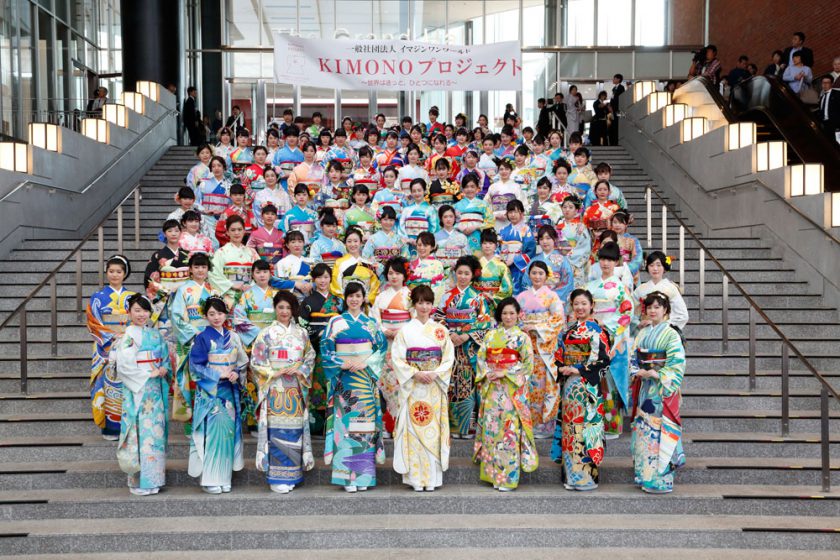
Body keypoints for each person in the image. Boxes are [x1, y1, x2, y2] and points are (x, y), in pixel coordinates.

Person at [321, 282, 388, 492]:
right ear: (345, 298)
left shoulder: (371, 323)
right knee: (345, 425)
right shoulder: (335, 321)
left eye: (358, 296)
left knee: (364, 426)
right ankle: (346, 477)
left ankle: (364, 476)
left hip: (364, 377)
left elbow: (381, 348)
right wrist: (341, 363)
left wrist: (366, 362)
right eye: (350, 296)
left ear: (364, 298)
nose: (354, 300)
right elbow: (325, 347)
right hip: (344, 379)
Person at [249, 290, 317, 494]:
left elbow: (310, 357)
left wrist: (301, 369)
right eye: (281, 307)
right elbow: (256, 361)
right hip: (276, 388)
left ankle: (293, 475)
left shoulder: (302, 334)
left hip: (295, 387)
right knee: (276, 430)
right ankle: (276, 477)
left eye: (288, 307)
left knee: (294, 430)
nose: (284, 311)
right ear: (275, 309)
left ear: (293, 309)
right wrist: (274, 371)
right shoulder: (266, 334)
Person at [391, 284, 455, 491]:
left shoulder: (440, 330)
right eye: (420, 302)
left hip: (434, 385)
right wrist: (415, 373)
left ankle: (433, 479)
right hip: (414, 386)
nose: (424, 307)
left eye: (428, 302)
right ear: (414, 304)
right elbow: (398, 358)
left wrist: (435, 373)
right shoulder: (405, 331)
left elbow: (448, 357)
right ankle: (416, 479)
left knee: (433, 431)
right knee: (414, 430)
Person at [108, 294, 172, 496]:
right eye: (137, 310)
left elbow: (164, 359)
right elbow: (124, 367)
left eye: (145, 310)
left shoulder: (155, 335)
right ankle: (138, 481)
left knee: (155, 435)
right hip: (138, 391)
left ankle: (154, 479)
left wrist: (163, 369)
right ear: (129, 312)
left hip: (155, 391)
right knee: (139, 434)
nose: (141, 314)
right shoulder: (127, 336)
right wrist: (149, 372)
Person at [187, 296, 249, 494]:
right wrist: (216, 374)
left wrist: (235, 374)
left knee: (227, 433)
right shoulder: (202, 337)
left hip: (228, 391)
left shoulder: (233, 337)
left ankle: (224, 476)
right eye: (212, 314)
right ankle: (210, 478)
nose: (216, 317)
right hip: (210, 392)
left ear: (226, 315)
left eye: (220, 313)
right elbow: (195, 365)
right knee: (212, 433)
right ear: (205, 316)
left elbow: (242, 362)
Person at [474, 297, 537, 491]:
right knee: (492, 430)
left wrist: (506, 372)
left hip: (511, 390)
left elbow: (528, 366)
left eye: (512, 313)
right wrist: (487, 373)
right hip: (493, 388)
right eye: (504, 313)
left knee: (509, 432)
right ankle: (492, 475)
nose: (508, 317)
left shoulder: (523, 337)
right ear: (499, 316)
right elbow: (482, 358)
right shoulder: (491, 335)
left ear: (518, 314)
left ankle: (508, 478)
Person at [551, 288, 610, 491]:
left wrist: (576, 368)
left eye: (584, 303)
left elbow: (602, 360)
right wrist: (562, 367)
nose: (580, 307)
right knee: (570, 430)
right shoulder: (567, 330)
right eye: (576, 304)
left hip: (587, 386)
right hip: (569, 386)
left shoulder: (597, 330)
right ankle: (571, 475)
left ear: (592, 305)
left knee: (585, 429)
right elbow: (558, 355)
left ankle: (586, 478)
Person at [630, 292, 687, 494]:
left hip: (662, 389)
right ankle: (645, 476)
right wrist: (637, 371)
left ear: (666, 310)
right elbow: (633, 358)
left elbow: (677, 363)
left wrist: (658, 372)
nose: (653, 311)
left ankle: (661, 480)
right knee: (645, 432)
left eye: (657, 307)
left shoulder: (671, 334)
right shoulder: (643, 333)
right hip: (646, 387)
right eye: (650, 307)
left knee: (660, 431)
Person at [439, 255, 493, 438]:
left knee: (468, 383)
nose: (462, 276)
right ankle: (453, 427)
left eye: (466, 273)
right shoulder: (446, 296)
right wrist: (449, 334)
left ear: (472, 276)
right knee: (451, 384)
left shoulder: (478, 298)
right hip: (450, 344)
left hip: (469, 346)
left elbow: (485, 322)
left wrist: (466, 335)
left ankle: (469, 427)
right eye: (459, 272)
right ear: (455, 274)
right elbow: (439, 317)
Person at [586, 243, 634, 439]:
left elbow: (627, 311)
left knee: (611, 381)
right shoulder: (590, 286)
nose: (605, 263)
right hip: (592, 336)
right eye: (602, 259)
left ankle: (612, 425)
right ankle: (593, 422)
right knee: (594, 380)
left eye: (610, 259)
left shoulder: (621, 287)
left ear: (616, 262)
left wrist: (608, 330)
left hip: (613, 338)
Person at [87, 255, 135, 440]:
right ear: (106, 272)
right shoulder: (98, 297)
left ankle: (128, 423)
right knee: (107, 384)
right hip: (105, 346)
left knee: (127, 382)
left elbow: (140, 319)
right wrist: (111, 337)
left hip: (128, 343)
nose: (115, 275)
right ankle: (109, 427)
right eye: (111, 271)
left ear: (125, 274)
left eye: (119, 272)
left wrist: (129, 336)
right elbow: (93, 322)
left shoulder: (132, 297)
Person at [516, 261, 565, 439]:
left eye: (540, 274)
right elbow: (515, 318)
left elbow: (558, 319)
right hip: (527, 346)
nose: (537, 276)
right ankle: (527, 422)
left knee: (546, 385)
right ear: (529, 275)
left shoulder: (552, 297)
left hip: (544, 347)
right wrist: (523, 329)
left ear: (546, 276)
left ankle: (545, 426)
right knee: (527, 384)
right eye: (534, 273)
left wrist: (536, 328)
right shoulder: (521, 297)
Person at [169, 253, 214, 428]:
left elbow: (220, 315)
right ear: (191, 270)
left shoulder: (212, 290)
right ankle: (190, 422)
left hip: (211, 340)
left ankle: (209, 420)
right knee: (191, 379)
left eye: (203, 267)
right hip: (192, 340)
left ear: (208, 269)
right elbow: (176, 316)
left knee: (210, 378)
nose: (200, 270)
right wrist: (195, 334)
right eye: (197, 267)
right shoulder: (183, 290)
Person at [299, 263, 343, 435]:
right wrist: (320, 335)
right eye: (319, 277)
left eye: (326, 277)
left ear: (330, 278)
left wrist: (332, 337)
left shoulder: (339, 302)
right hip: (316, 348)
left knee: (335, 383)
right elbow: (302, 325)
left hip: (336, 350)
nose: (323, 281)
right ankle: (317, 424)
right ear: (314, 279)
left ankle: (335, 422)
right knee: (317, 384)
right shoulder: (308, 302)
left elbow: (343, 324)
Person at [208, 215, 259, 308]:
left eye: (240, 229)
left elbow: (260, 272)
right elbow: (213, 274)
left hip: (249, 293)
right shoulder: (220, 253)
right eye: (233, 230)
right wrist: (232, 285)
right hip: (229, 295)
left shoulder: (251, 252)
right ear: (227, 232)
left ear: (244, 231)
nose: (237, 233)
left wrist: (251, 285)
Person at [632, 251, 689, 333]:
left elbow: (682, 315)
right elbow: (630, 311)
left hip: (664, 333)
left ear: (664, 267)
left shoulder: (671, 288)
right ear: (647, 267)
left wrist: (664, 324)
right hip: (644, 331)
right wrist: (638, 323)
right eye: (651, 265)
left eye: (659, 265)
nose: (655, 269)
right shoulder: (640, 289)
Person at [330, 227, 380, 304]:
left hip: (365, 303)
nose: (352, 244)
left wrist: (369, 298)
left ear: (361, 243)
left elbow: (375, 285)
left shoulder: (368, 263)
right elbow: (335, 286)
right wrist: (347, 299)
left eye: (356, 241)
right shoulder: (339, 263)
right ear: (345, 243)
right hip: (347, 303)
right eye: (349, 241)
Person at [194, 156, 231, 250]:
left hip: (223, 219)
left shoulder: (229, 185)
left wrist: (225, 215)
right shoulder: (204, 183)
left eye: (219, 165)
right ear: (211, 168)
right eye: (213, 166)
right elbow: (195, 200)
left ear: (224, 167)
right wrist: (204, 210)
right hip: (207, 218)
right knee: (209, 244)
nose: (216, 168)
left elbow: (231, 204)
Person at [454, 172, 494, 254]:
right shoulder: (456, 206)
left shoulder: (483, 204)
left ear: (477, 188)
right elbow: (451, 222)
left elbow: (491, 221)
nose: (469, 189)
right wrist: (460, 227)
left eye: (472, 186)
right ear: (462, 189)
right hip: (461, 235)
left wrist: (476, 227)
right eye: (467, 187)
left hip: (478, 235)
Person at [556, 194, 591, 287]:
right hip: (559, 263)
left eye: (571, 207)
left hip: (575, 265)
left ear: (576, 210)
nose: (567, 209)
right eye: (565, 207)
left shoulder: (580, 228)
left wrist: (568, 260)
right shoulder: (556, 227)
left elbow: (584, 247)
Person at [475, 228, 513, 309]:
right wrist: (479, 297)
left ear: (496, 245)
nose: (487, 246)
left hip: (494, 302)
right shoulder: (475, 264)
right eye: (484, 243)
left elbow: (507, 288)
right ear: (481, 245)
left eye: (490, 243)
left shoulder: (502, 265)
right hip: (478, 302)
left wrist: (493, 297)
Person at [407, 231, 447, 306]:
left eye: (425, 245)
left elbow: (438, 289)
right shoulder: (410, 264)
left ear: (432, 247)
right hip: (413, 302)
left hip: (428, 303)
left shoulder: (437, 265)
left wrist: (432, 306)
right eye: (419, 245)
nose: (422, 248)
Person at [434, 204, 470, 286]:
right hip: (442, 274)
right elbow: (433, 257)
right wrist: (446, 265)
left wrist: (458, 265)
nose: (448, 219)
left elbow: (467, 256)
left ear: (454, 218)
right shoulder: (435, 237)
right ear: (441, 219)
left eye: (451, 216)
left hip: (459, 274)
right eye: (445, 217)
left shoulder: (462, 237)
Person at [818, 76, 840, 141]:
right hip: (825, 125)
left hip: (836, 125)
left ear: (832, 84)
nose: (824, 85)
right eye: (823, 83)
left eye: (827, 83)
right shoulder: (822, 97)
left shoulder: (837, 94)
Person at [609, 74, 625, 146]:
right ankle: (613, 142)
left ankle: (617, 141)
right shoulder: (614, 89)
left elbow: (620, 100)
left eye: (614, 78)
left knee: (618, 124)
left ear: (618, 79)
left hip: (618, 110)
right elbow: (612, 99)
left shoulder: (621, 88)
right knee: (613, 125)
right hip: (613, 110)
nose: (613, 80)